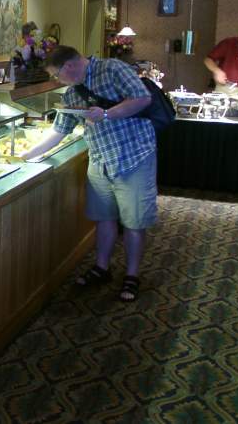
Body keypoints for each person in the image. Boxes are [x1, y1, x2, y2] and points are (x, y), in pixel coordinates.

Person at [21, 46, 156, 302]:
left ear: (68, 66)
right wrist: (26, 156)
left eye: (56, 75)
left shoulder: (113, 68)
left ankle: (132, 275)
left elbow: (142, 98)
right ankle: (102, 267)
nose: (57, 80)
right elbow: (59, 131)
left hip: (133, 157)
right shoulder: (73, 92)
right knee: (104, 218)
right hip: (100, 160)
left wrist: (106, 114)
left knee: (134, 222)